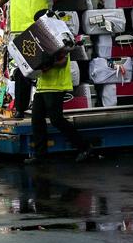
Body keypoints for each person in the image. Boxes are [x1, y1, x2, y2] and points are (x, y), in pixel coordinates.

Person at [0, 0, 82, 118]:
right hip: (40, 32)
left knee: (23, 71)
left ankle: (21, 109)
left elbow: (0, 2)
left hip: (20, 34)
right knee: (45, 66)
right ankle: (45, 107)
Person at [27, 10, 95, 164]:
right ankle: (40, 155)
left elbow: (63, 61)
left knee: (56, 119)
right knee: (37, 120)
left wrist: (46, 65)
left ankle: (84, 147)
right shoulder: (42, 38)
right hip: (43, 85)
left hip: (56, 85)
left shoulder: (61, 35)